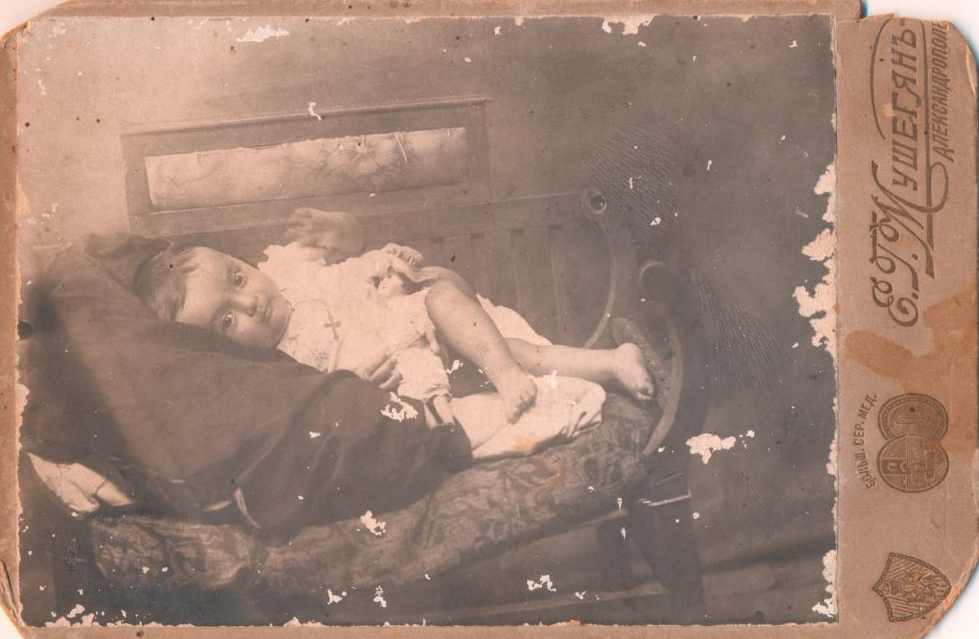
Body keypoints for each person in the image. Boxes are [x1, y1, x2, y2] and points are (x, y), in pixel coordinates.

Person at [134, 209, 655, 458]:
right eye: (227, 321)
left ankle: (593, 363)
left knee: (468, 320)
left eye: (237, 279)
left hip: (428, 322)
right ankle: (599, 365)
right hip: (418, 381)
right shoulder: (279, 370)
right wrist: (354, 384)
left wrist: (346, 234)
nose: (250, 302)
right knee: (482, 385)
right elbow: (329, 407)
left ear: (245, 263)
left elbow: (352, 242)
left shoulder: (289, 268)